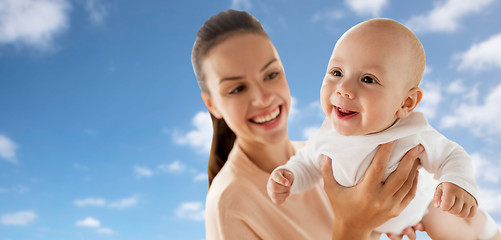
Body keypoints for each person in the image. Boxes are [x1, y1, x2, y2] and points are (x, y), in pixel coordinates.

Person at [192, 10, 427, 239]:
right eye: (237, 89)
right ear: (212, 104)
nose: (263, 98)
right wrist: (354, 227)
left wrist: (389, 219)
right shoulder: (229, 204)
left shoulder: (326, 151)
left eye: (271, 75)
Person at [267, 18, 501, 239]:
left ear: (405, 103)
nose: (343, 88)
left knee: (451, 225)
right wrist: (289, 177)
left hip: (422, 209)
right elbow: (307, 164)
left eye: (368, 79)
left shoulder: (411, 132)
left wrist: (457, 182)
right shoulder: (326, 134)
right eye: (337, 72)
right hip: (361, 223)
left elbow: (452, 155)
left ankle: (487, 230)